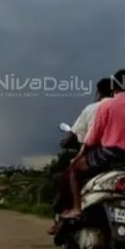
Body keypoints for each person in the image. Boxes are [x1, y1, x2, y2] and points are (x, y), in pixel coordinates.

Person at [61, 68, 125, 219]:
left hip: (109, 155)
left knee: (75, 169)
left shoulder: (107, 106)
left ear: (115, 85)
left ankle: (76, 208)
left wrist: (83, 151)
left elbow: (94, 136)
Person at [48, 78, 114, 234]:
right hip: (122, 156)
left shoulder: (92, 109)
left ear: (99, 92)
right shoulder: (123, 109)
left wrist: (66, 142)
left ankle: (69, 211)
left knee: (68, 176)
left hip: (95, 154)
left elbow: (76, 133)